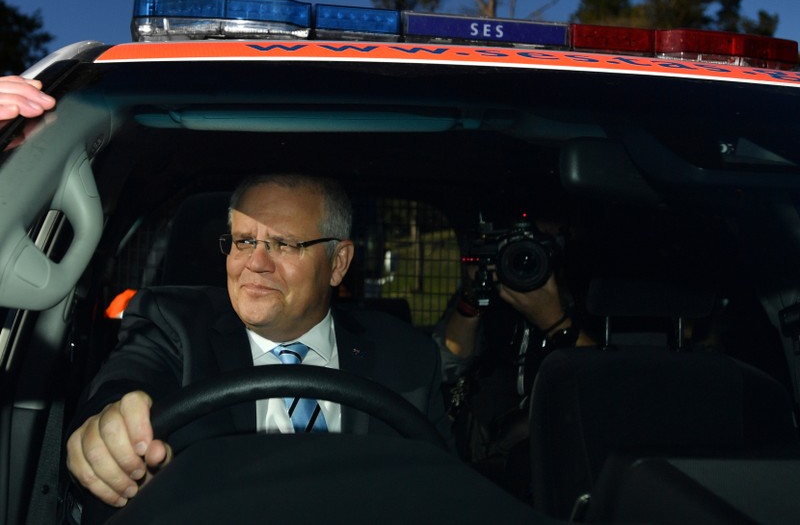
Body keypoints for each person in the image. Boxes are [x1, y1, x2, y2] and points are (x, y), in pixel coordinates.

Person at [62, 174, 451, 521]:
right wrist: (109, 425)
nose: (256, 263)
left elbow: (448, 492)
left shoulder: (408, 355)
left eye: (284, 244)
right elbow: (128, 381)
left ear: (339, 262)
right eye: (245, 241)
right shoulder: (172, 323)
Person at [432, 218, 593, 500]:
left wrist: (554, 321)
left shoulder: (593, 297)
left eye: (543, 240)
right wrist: (474, 294)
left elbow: (607, 384)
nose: (525, 257)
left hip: (566, 445)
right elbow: (446, 364)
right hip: (487, 446)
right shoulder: (491, 294)